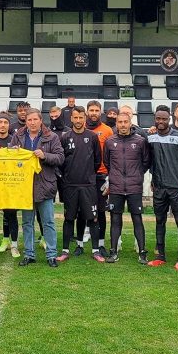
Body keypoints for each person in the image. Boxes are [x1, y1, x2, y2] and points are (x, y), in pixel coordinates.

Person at [9, 109, 64, 267]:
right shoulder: (18, 136)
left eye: (35, 119)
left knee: (48, 222)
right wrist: (13, 154)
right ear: (25, 121)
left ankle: (51, 255)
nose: (32, 122)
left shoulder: (51, 137)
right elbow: (9, 158)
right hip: (24, 186)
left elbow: (60, 157)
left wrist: (45, 155)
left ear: (41, 121)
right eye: (29, 120)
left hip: (45, 185)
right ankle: (29, 254)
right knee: (27, 222)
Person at [103, 111, 151, 263]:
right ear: (116, 124)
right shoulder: (110, 141)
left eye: (125, 122)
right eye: (120, 122)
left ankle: (142, 252)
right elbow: (107, 163)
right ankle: (113, 252)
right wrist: (115, 177)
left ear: (130, 123)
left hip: (134, 187)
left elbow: (145, 162)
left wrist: (136, 175)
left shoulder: (140, 141)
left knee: (137, 219)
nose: (123, 125)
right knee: (115, 219)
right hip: (116, 187)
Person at [146, 107, 178, 268]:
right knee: (160, 221)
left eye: (164, 119)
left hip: (176, 188)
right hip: (159, 187)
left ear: (169, 119)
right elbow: (150, 160)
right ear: (154, 118)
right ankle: (161, 256)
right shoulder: (150, 137)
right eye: (158, 118)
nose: (160, 122)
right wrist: (153, 177)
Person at [57, 106, 102, 261]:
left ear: (85, 117)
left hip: (88, 185)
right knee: (69, 218)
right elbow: (61, 161)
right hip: (70, 185)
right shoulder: (64, 137)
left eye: (80, 117)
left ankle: (96, 250)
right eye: (75, 117)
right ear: (71, 118)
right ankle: (65, 250)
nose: (78, 120)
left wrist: (88, 174)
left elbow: (97, 160)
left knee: (92, 218)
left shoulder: (93, 137)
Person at [82, 100, 113, 259]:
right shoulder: (82, 128)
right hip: (84, 177)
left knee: (101, 212)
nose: (93, 113)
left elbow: (112, 154)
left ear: (100, 112)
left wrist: (110, 177)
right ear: (87, 112)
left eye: (96, 110)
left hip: (102, 176)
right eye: (91, 110)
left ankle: (100, 244)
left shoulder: (107, 131)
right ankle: (80, 243)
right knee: (83, 211)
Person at [0, 113, 20, 257]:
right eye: (0, 122)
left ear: (9, 125)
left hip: (9, 184)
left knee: (11, 215)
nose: (2, 125)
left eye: (5, 122)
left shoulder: (14, 140)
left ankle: (13, 244)